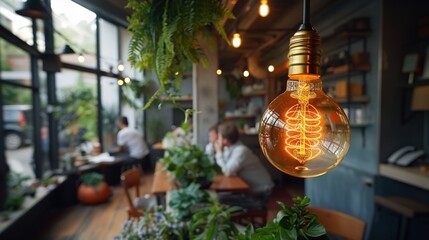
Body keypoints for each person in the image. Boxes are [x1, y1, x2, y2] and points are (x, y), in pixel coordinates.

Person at [214, 121, 274, 208]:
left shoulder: (241, 151)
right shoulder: (232, 149)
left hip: (259, 195)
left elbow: (227, 171)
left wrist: (219, 152)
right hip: (251, 190)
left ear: (225, 141)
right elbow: (226, 167)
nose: (217, 140)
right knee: (222, 198)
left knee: (221, 201)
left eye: (219, 137)